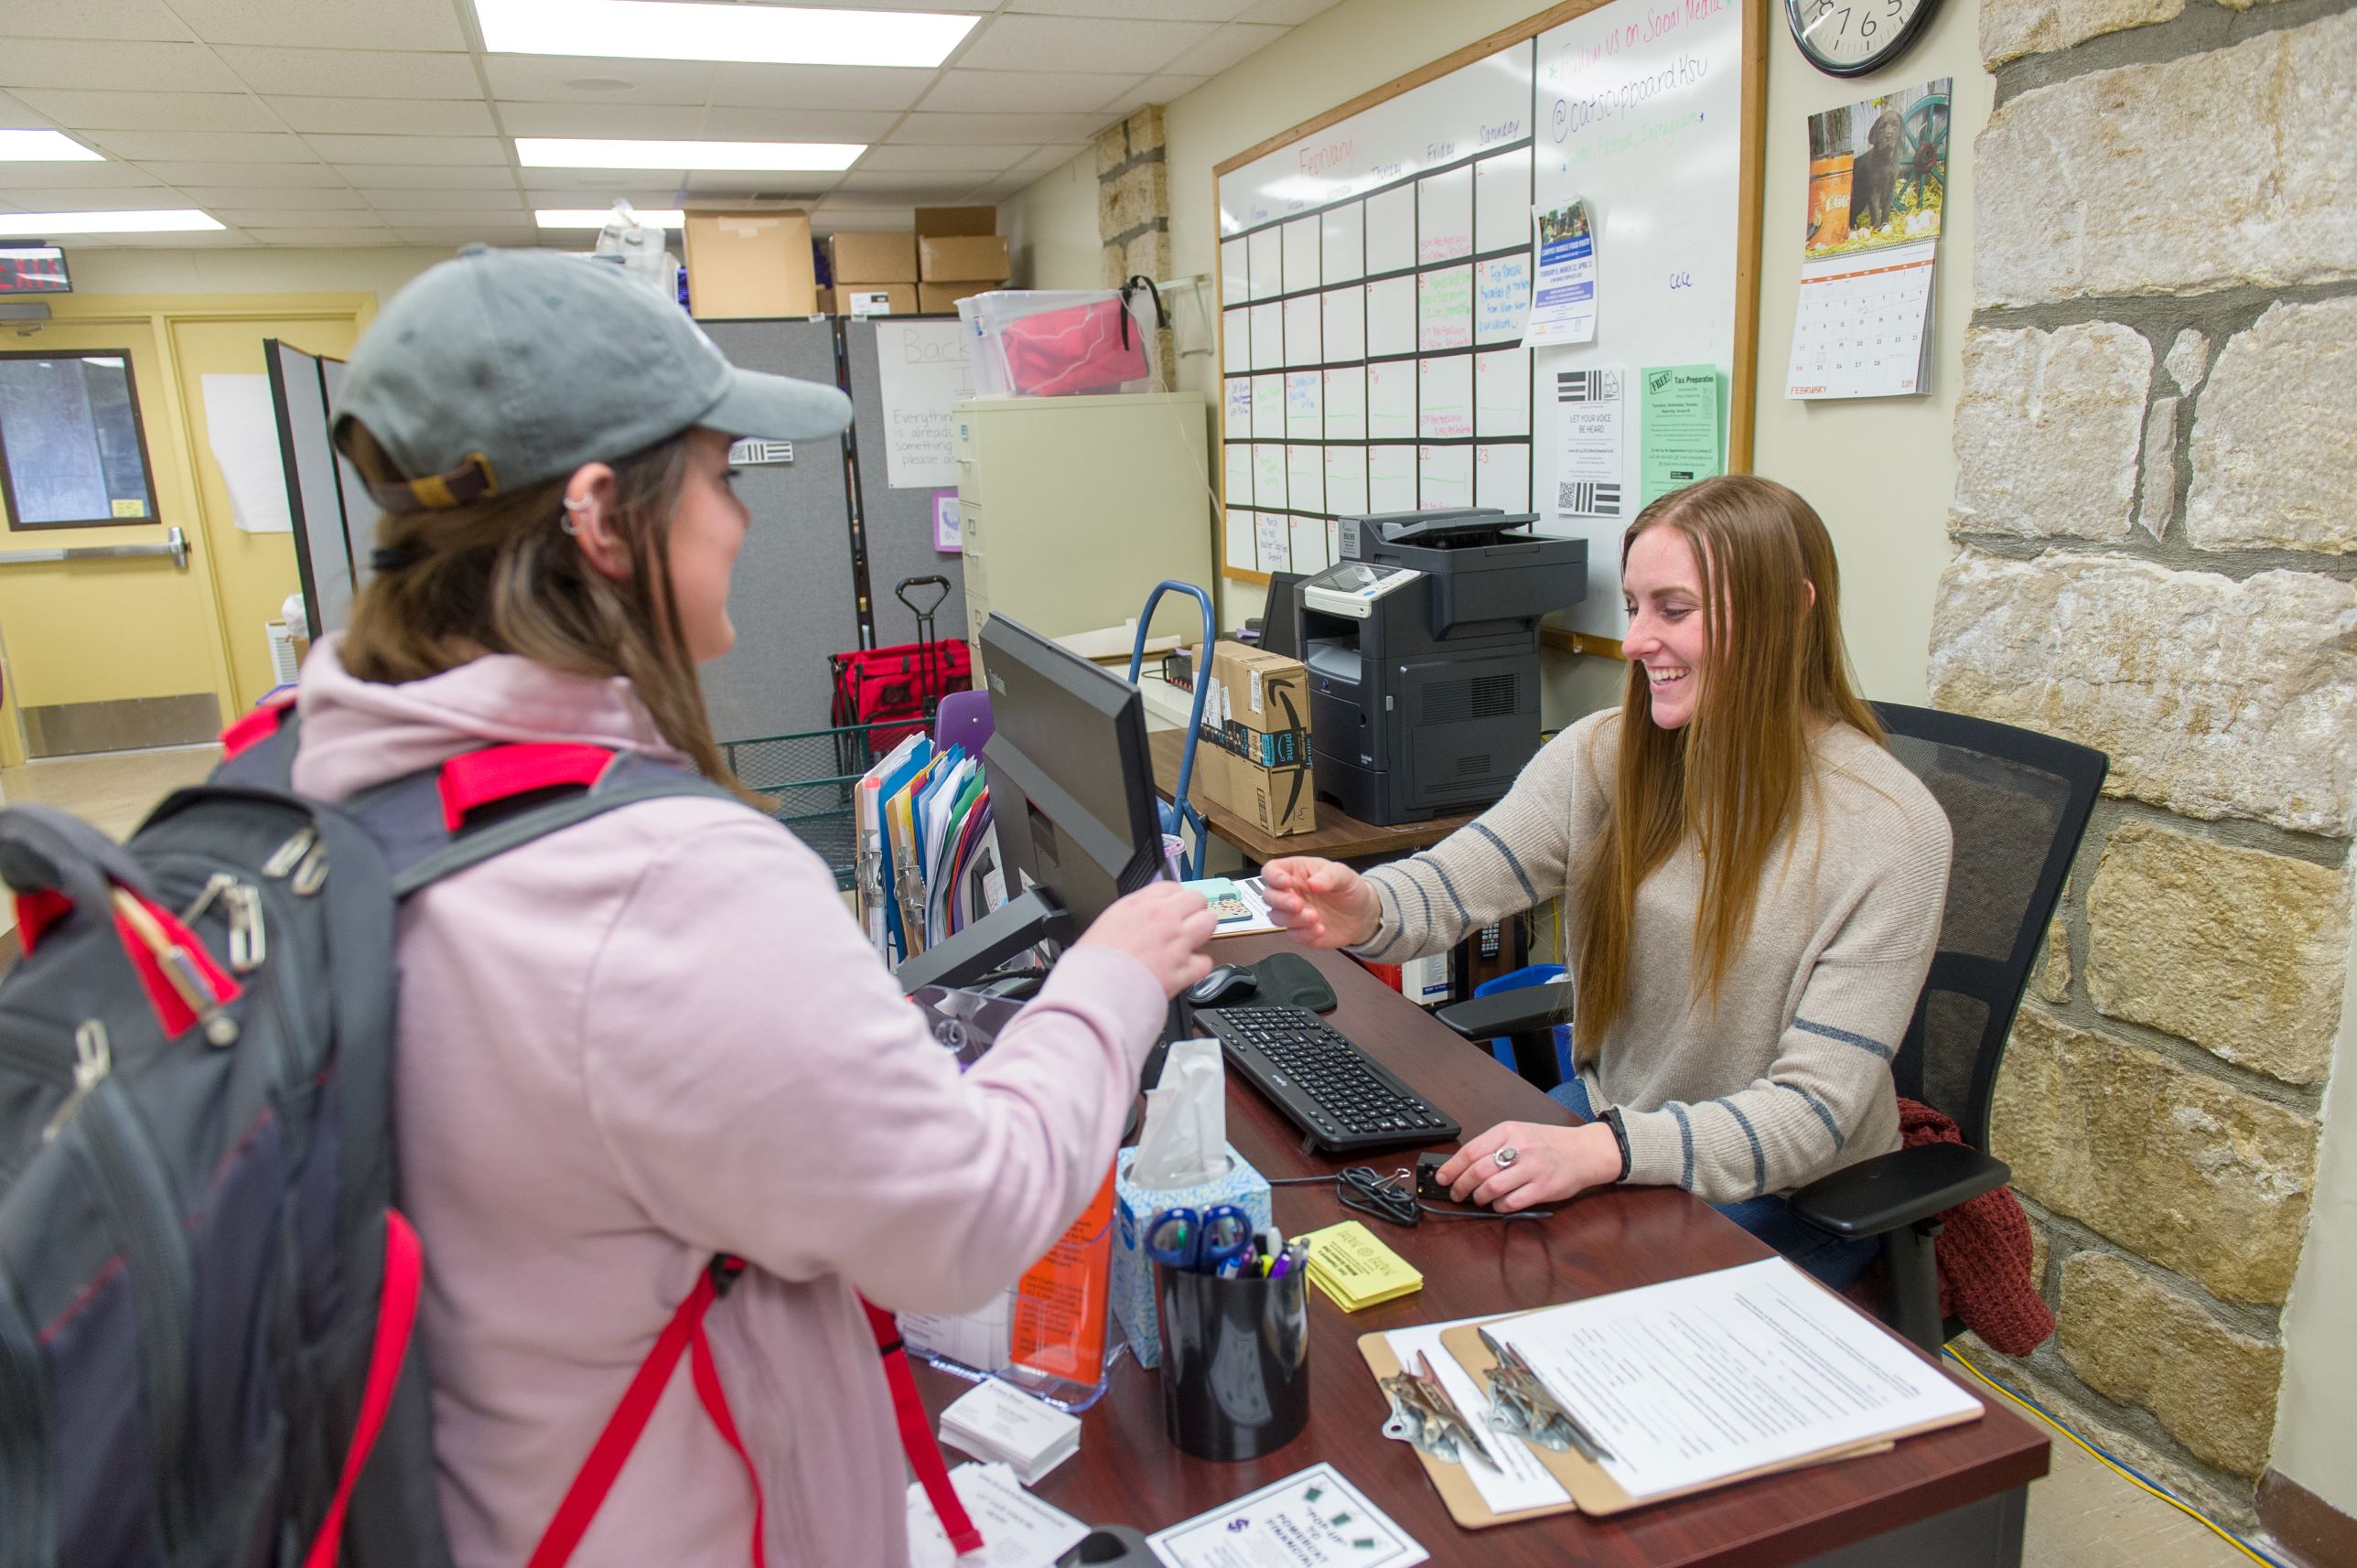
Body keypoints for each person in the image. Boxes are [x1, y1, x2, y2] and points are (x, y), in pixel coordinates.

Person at [294, 248, 1214, 1565]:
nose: (737, 519)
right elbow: (962, 1222)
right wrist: (1115, 973)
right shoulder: (657, 879)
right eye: (721, 478)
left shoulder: (306, 774)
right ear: (603, 517)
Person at [1261, 476, 1950, 1288]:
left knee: (1544, 1313)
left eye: (1674, 610)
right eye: (1633, 607)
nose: (1633, 642)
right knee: (1433, 1254)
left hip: (1789, 1193)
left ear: (1790, 612)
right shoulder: (1604, 754)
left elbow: (1812, 1117)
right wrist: (1367, 905)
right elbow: (1457, 881)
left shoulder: (1893, 832)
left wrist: (1606, 1148)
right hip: (1620, 1133)